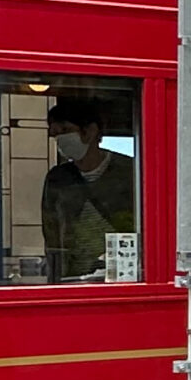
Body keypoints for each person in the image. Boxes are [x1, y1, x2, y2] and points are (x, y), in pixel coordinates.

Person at [41, 97, 137, 282]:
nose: (60, 140)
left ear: (90, 131)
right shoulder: (57, 179)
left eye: (66, 131)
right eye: (55, 135)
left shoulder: (130, 172)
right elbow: (51, 235)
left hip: (125, 273)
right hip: (73, 277)